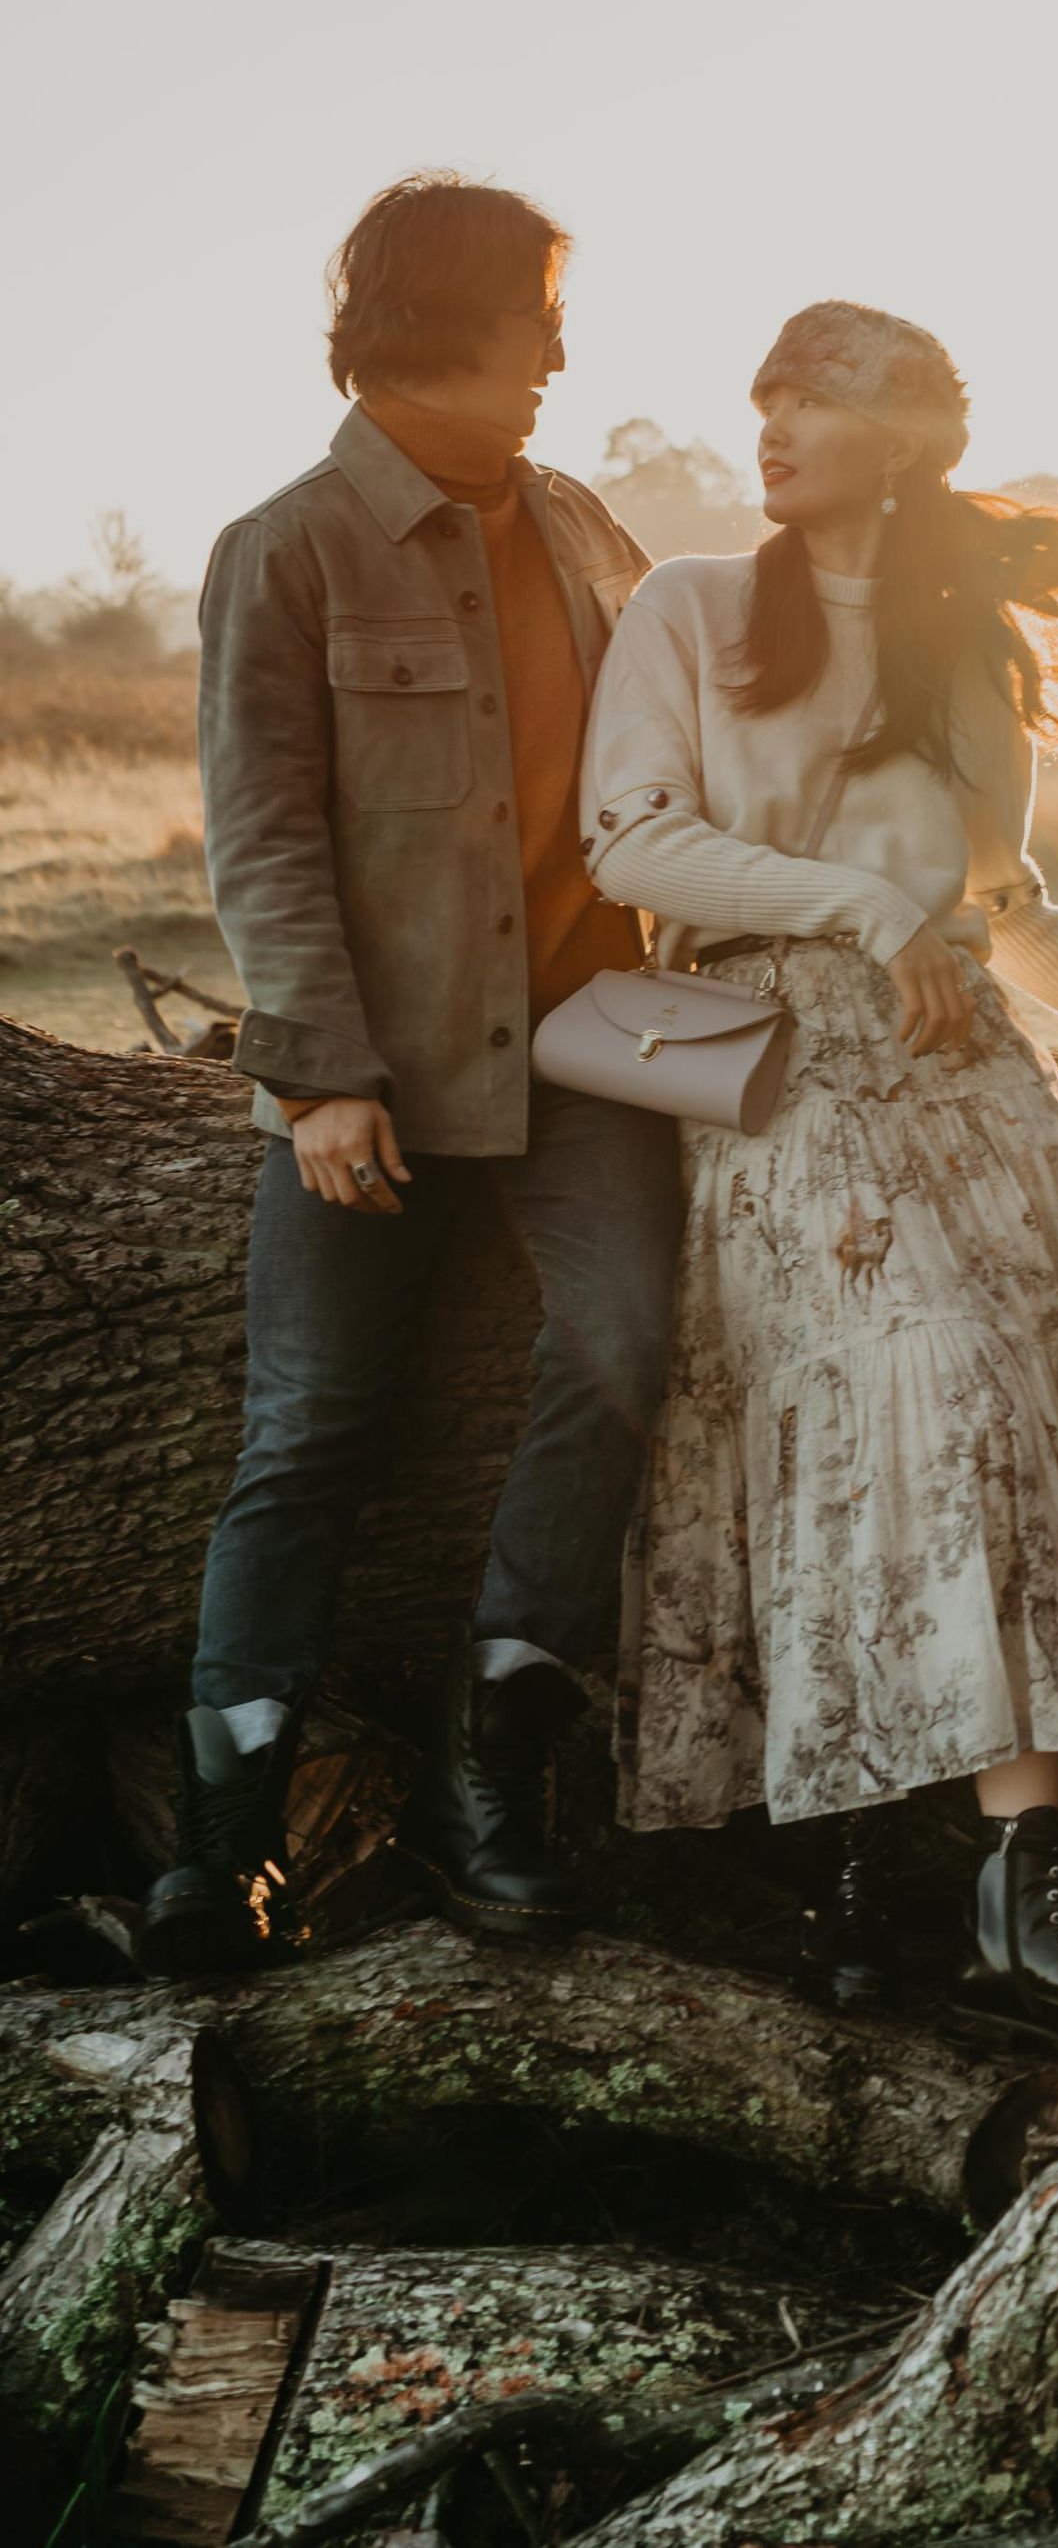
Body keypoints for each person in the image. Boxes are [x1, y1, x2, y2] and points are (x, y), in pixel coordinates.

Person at [580, 300, 1058, 2030]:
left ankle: (1014, 1891)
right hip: (773, 1070)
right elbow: (632, 837)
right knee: (887, 1410)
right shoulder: (690, 606)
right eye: (763, 392)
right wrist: (855, 905)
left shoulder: (963, 644)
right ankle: (853, 1863)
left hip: (972, 1089)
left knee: (999, 1415)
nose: (768, 423)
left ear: (909, 437)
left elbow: (1010, 913)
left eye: (813, 398)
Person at [138, 177, 684, 1977]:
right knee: (306, 1436)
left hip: (590, 1049)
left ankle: (489, 1771)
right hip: (366, 1076)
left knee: (624, 1352)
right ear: (440, 323)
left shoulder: (585, 523)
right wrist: (318, 1080)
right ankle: (225, 1854)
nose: (555, 351)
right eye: (534, 313)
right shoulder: (283, 546)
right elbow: (264, 839)